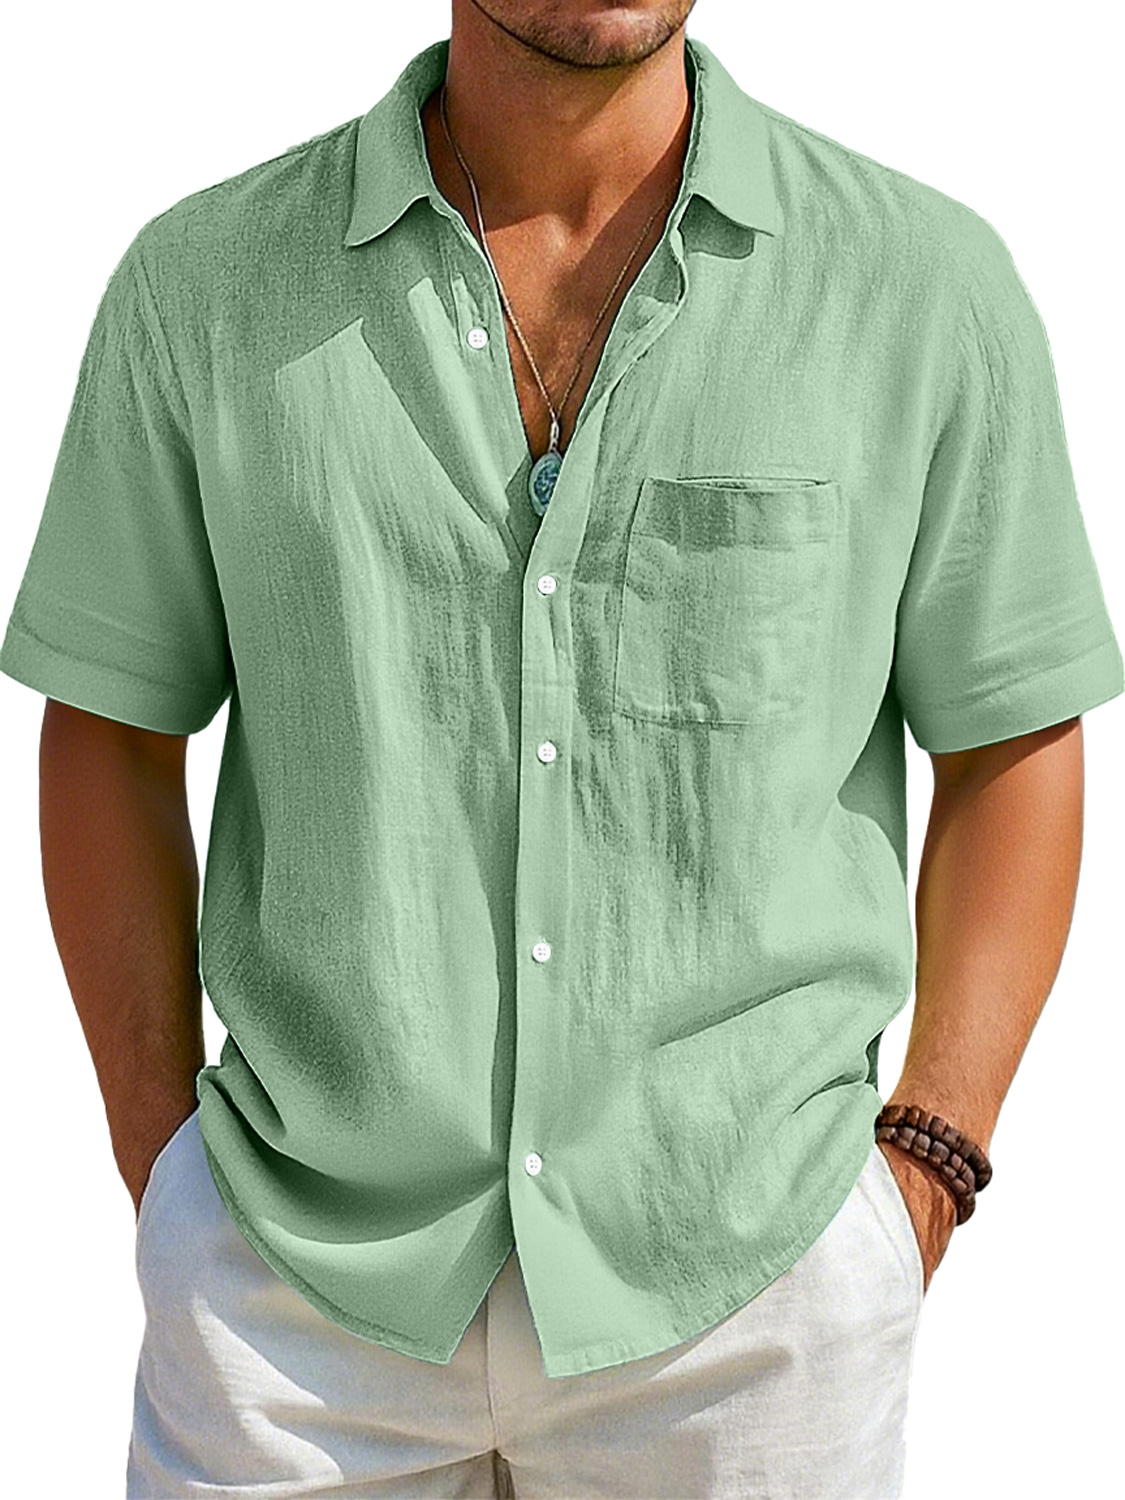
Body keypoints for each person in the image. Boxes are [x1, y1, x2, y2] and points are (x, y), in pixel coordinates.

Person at [1, 1, 1121, 1496]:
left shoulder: (919, 288)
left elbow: (1009, 742)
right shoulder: (204, 287)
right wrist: (164, 1168)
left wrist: (929, 1161)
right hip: (290, 1302)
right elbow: (112, 726)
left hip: (753, 1303)